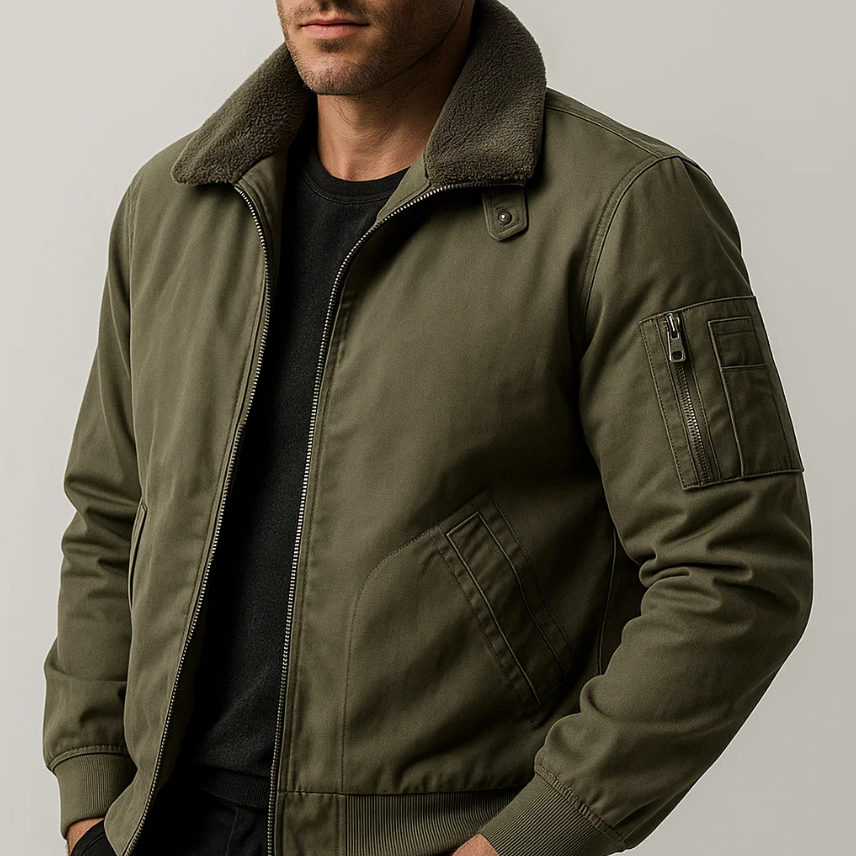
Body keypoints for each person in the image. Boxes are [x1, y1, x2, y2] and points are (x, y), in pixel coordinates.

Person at [43, 0, 814, 854]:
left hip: (429, 835)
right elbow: (112, 515)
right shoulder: (173, 205)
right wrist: (89, 795)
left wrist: (528, 840)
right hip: (156, 829)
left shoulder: (624, 210)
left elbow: (735, 569)